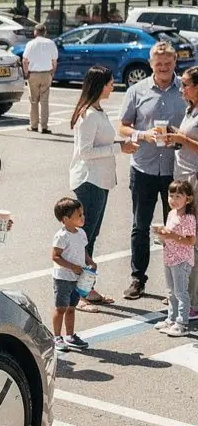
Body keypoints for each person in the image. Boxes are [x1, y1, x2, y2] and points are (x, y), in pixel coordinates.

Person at [117, 41, 186, 299]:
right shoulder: (137, 91)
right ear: (151, 65)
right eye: (159, 64)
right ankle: (138, 279)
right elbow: (123, 126)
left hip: (175, 169)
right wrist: (141, 134)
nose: (164, 68)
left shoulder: (186, 90)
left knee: (176, 228)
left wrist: (179, 137)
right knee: (140, 226)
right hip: (144, 168)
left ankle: (176, 282)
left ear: (175, 63)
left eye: (168, 63)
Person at [69, 65, 137, 309]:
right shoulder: (88, 115)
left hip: (101, 180)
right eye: (110, 83)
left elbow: (102, 143)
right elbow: (86, 152)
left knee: (90, 237)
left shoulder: (97, 110)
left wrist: (122, 144)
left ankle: (85, 289)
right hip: (90, 181)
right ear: (100, 85)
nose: (112, 86)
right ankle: (79, 294)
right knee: (84, 240)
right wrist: (120, 148)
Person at [164, 65, 198, 321]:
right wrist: (175, 135)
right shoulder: (190, 108)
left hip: (195, 178)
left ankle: (193, 301)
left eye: (186, 84)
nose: (182, 88)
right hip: (183, 175)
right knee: (179, 236)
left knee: (191, 238)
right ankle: (183, 296)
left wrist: (184, 140)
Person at [152, 180, 196, 336]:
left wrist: (171, 236)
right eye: (171, 195)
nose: (173, 200)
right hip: (169, 258)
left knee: (180, 292)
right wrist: (162, 233)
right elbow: (170, 233)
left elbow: (191, 240)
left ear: (188, 199)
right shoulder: (171, 213)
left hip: (181, 260)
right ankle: (171, 318)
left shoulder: (188, 218)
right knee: (170, 291)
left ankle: (182, 323)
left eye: (178, 196)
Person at [51, 196, 92, 354]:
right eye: (79, 215)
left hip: (77, 277)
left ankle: (70, 335)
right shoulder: (62, 236)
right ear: (66, 219)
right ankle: (56, 337)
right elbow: (55, 256)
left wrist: (89, 261)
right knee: (61, 308)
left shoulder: (81, 233)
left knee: (72, 307)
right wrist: (72, 267)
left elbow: (83, 250)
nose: (83, 217)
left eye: (82, 214)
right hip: (63, 278)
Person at [21, 23, 58, 133]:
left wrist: (26, 72)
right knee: (44, 101)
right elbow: (54, 61)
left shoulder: (30, 44)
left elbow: (25, 60)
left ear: (35, 32)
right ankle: (45, 126)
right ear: (45, 32)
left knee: (33, 100)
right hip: (46, 73)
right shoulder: (51, 43)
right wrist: (52, 72)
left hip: (33, 74)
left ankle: (34, 125)